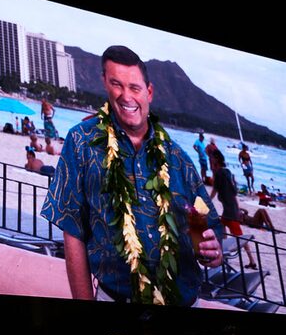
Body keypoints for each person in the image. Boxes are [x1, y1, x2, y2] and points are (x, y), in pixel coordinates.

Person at [41, 45, 223, 306]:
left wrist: (212, 251)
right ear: (105, 83)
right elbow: (72, 232)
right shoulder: (82, 142)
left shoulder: (178, 158)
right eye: (117, 84)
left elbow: (203, 218)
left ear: (148, 92)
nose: (126, 96)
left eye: (135, 88)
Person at [209, 149, 258, 269]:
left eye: (212, 159)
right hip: (230, 209)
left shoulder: (219, 173)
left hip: (230, 212)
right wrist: (238, 207)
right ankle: (224, 256)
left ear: (216, 160)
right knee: (222, 229)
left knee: (239, 236)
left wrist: (207, 201)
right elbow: (234, 192)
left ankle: (252, 260)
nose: (210, 161)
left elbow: (215, 190)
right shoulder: (227, 172)